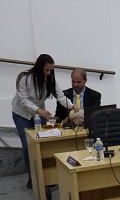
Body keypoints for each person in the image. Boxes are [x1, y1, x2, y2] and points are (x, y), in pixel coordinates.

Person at [11, 54, 73, 188]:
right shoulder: (24, 78)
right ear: (39, 67)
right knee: (28, 146)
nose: (49, 73)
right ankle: (32, 177)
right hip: (22, 114)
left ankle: (46, 178)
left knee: (44, 143)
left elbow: (60, 96)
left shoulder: (50, 79)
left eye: (51, 70)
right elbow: (23, 100)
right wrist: (39, 111)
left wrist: (72, 106)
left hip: (39, 114)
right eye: (46, 70)